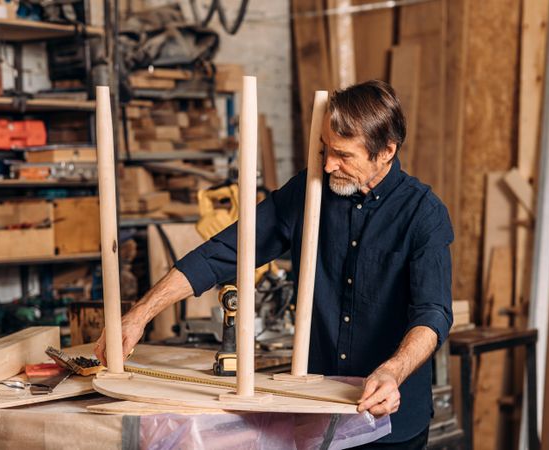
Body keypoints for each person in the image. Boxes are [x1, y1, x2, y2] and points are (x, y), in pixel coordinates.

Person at [94, 80, 453, 449]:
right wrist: (140, 313)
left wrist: (392, 371)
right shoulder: (308, 192)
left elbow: (433, 313)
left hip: (390, 418)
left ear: (386, 151)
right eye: (324, 150)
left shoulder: (423, 214)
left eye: (343, 155)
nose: (328, 166)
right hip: (318, 407)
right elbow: (226, 250)